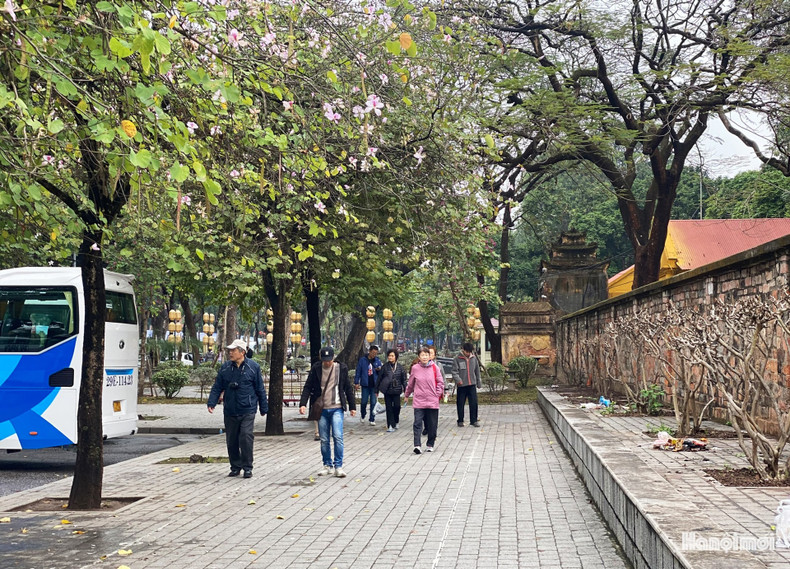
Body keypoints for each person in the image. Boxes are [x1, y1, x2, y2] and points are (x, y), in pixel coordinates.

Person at [207, 339, 268, 478]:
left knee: (246, 436)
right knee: (232, 439)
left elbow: (260, 389)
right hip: (230, 409)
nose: (230, 353)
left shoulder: (253, 367)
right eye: (230, 350)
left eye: (233, 350)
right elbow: (217, 387)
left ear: (242, 352)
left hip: (248, 408)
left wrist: (264, 407)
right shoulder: (225, 368)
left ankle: (247, 467)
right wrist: (212, 402)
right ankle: (235, 466)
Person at [299, 347, 356, 477]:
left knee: (337, 436)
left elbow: (347, 387)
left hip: (337, 407)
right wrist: (303, 403)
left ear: (333, 357)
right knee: (324, 439)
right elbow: (308, 386)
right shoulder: (316, 368)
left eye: (329, 360)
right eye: (325, 360)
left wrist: (352, 406)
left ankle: (338, 466)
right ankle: (327, 465)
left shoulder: (341, 368)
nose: (327, 363)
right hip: (322, 409)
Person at [404, 347, 444, 454]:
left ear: (430, 356)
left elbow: (440, 382)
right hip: (419, 400)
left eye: (426, 355)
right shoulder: (415, 368)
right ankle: (417, 445)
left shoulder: (435, 368)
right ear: (419, 357)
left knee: (432, 424)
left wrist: (437, 394)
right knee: (417, 423)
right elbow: (411, 384)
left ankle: (430, 444)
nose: (425, 357)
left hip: (432, 401)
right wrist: (407, 395)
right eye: (422, 355)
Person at [376, 348, 407, 432]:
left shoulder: (400, 367)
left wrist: (406, 391)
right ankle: (390, 425)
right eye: (389, 356)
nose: (390, 357)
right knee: (389, 408)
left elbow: (404, 380)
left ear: (396, 357)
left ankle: (396, 421)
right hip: (387, 390)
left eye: (392, 356)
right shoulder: (385, 367)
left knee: (397, 407)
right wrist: (376, 390)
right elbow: (379, 379)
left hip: (397, 391)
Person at [452, 342, 482, 427]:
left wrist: (478, 382)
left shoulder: (474, 359)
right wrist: (458, 380)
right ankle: (460, 420)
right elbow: (454, 371)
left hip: (472, 384)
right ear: (463, 350)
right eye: (466, 351)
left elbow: (477, 371)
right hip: (462, 385)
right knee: (460, 403)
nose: (468, 353)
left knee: (474, 403)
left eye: (469, 352)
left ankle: (474, 420)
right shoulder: (457, 359)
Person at [354, 344, 382, 425]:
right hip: (365, 384)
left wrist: (378, 370)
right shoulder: (363, 360)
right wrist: (356, 382)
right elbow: (358, 371)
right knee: (364, 402)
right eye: (373, 353)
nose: (374, 355)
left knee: (373, 402)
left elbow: (381, 373)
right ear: (369, 351)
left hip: (374, 385)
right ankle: (363, 414)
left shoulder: (377, 360)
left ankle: (372, 419)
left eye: (376, 353)